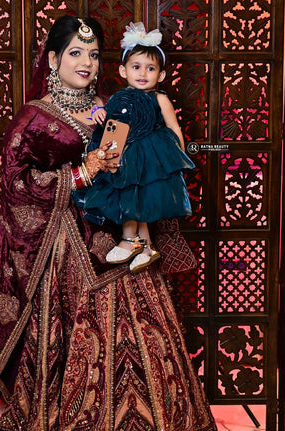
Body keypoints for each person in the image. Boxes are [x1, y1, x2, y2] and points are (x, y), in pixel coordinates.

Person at [0, 15, 230, 431]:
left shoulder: (112, 106)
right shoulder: (34, 118)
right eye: (75, 53)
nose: (86, 62)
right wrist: (81, 172)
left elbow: (151, 154)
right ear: (53, 60)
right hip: (63, 251)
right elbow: (15, 184)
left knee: (145, 338)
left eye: (92, 54)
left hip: (118, 236)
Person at [74, 22, 195, 274]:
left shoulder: (160, 98)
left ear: (161, 75)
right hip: (125, 155)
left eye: (151, 68)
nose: (143, 73)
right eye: (136, 67)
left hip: (151, 158)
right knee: (130, 195)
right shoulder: (118, 97)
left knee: (139, 198)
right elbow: (112, 122)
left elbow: (174, 128)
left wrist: (178, 160)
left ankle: (131, 240)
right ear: (123, 70)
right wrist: (99, 113)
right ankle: (145, 246)